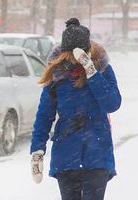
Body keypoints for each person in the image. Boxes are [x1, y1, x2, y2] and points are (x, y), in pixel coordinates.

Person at [30, 18, 122, 200]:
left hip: (97, 154)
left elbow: (112, 103)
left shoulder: (102, 70)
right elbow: (44, 116)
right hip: (66, 154)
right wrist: (37, 152)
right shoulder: (57, 75)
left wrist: (91, 72)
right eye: (70, 54)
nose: (74, 59)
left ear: (87, 50)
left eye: (78, 54)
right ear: (65, 52)